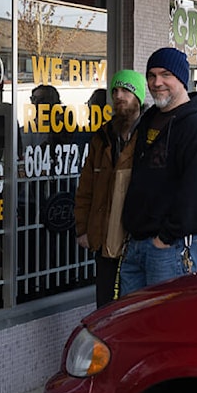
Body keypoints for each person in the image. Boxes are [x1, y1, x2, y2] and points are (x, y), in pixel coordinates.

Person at [118, 47, 197, 298]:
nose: (156, 82)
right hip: (137, 243)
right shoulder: (150, 117)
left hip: (169, 247)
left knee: (164, 329)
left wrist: (165, 237)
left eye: (165, 75)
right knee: (132, 326)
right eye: (151, 75)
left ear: (181, 79)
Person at [75, 70, 145, 307]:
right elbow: (86, 187)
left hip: (136, 239)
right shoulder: (103, 136)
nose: (119, 96)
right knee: (105, 306)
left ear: (139, 96)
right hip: (104, 238)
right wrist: (83, 228)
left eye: (126, 90)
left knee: (133, 306)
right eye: (115, 91)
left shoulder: (150, 135)